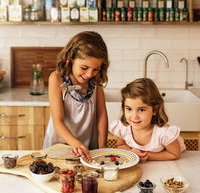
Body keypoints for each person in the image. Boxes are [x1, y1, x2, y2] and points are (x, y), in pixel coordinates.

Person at [43, 31, 109, 161]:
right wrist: (76, 144)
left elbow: (102, 116)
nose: (90, 74)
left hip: (88, 149)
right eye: (84, 67)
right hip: (59, 148)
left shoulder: (96, 82)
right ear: (71, 59)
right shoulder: (57, 79)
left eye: (96, 69)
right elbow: (58, 122)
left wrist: (103, 149)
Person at [110, 78, 186, 162]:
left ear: (155, 110)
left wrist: (147, 156)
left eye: (141, 110)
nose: (134, 117)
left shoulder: (164, 133)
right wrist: (130, 152)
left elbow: (174, 154)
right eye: (129, 109)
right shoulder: (124, 127)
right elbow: (120, 145)